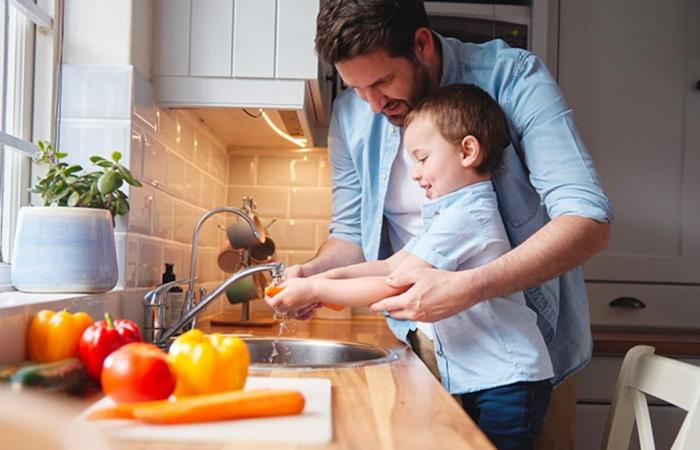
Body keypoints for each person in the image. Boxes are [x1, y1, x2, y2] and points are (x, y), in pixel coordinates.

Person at [276, 1, 613, 448]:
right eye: (358, 88)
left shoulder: (511, 78)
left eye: (381, 82)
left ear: (421, 44)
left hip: (518, 358)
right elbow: (353, 237)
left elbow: (586, 217)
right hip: (421, 350)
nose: (373, 105)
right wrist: (313, 276)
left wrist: (469, 287)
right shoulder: (351, 114)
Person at [268, 84, 554, 449]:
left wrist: (316, 291)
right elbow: (390, 264)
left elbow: (395, 282)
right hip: (491, 379)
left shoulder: (468, 215)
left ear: (467, 151)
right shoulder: (448, 212)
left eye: (421, 158)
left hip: (510, 382)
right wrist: (320, 276)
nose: (416, 175)